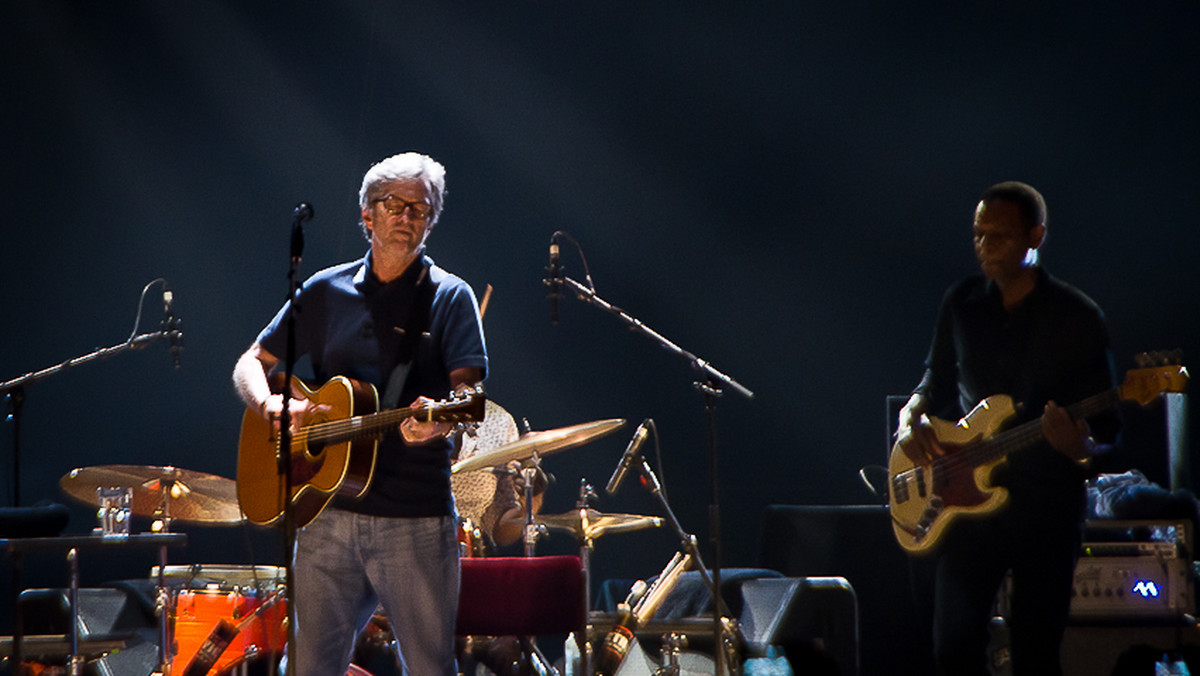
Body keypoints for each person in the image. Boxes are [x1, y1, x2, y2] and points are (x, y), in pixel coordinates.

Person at [232, 152, 486, 676]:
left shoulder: (449, 297)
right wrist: (269, 402)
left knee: (431, 669)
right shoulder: (326, 290)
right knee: (307, 669)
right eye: (394, 204)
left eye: (420, 208)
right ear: (366, 216)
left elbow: (470, 394)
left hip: (414, 520)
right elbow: (250, 363)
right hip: (326, 516)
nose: (407, 216)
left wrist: (438, 421)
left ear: (431, 222)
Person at [895, 181, 1120, 675]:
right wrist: (908, 418)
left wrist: (1079, 447)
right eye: (979, 235)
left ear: (1035, 236)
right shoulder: (961, 302)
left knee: (1036, 654)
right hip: (968, 503)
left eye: (999, 236)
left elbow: (1107, 428)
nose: (985, 246)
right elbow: (933, 381)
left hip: (1047, 507)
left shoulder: (1077, 316)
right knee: (952, 648)